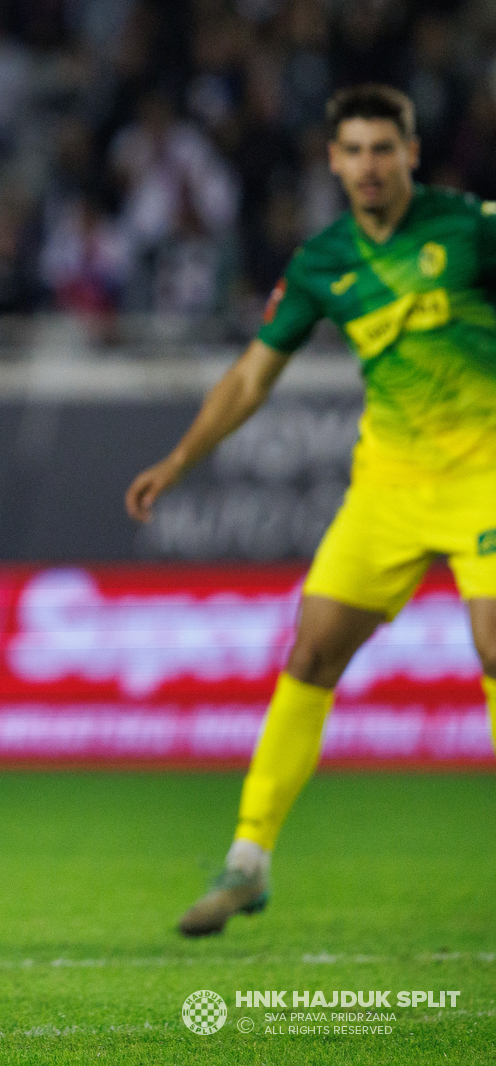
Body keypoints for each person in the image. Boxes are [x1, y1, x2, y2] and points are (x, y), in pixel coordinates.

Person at [126, 85, 496, 936]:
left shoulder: (470, 228)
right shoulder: (325, 260)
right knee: (314, 648)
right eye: (353, 151)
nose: (369, 166)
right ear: (332, 160)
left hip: (483, 478)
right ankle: (248, 861)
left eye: (384, 149)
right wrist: (180, 460)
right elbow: (255, 375)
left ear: (411, 153)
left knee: (491, 639)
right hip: (390, 489)